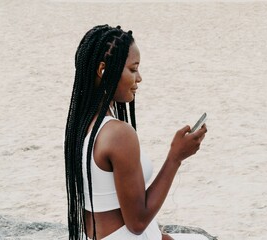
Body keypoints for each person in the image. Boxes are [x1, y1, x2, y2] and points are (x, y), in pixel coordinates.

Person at [64, 25, 208, 240]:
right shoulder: (119, 134)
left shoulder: (81, 126)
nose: (139, 78)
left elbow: (111, 206)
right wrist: (175, 157)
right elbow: (137, 222)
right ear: (103, 71)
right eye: (133, 69)